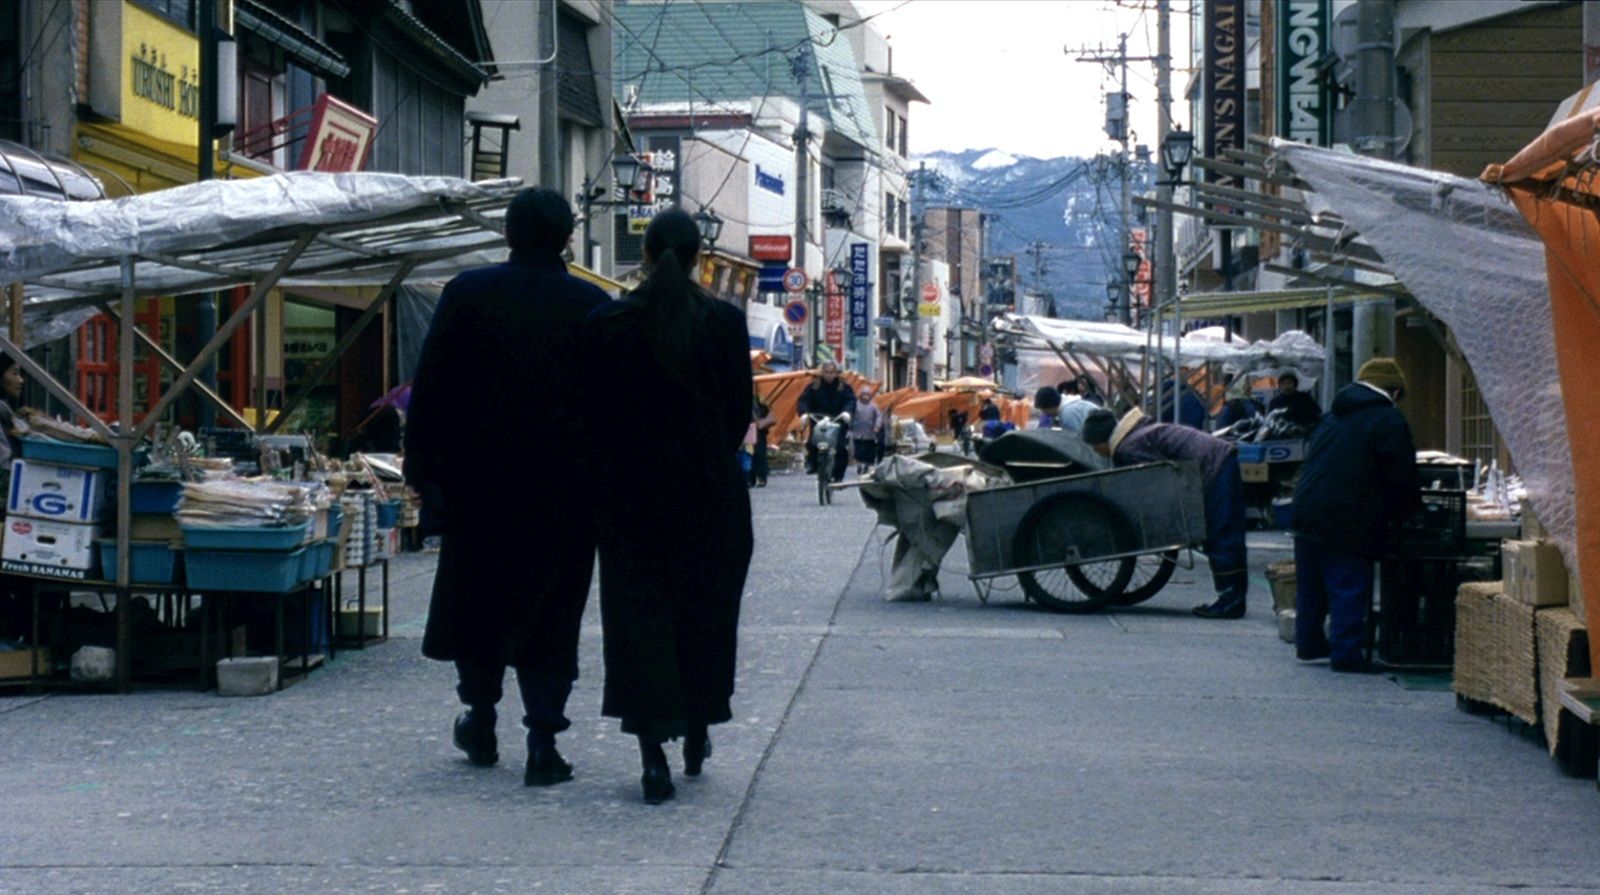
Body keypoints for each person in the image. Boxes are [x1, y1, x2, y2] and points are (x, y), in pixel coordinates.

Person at [404, 187, 610, 787]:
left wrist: (424, 473)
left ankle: (483, 719)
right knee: (553, 609)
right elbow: (609, 410)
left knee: (480, 603)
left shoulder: (468, 294)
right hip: (563, 491)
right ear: (569, 237)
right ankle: (544, 738)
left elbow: (432, 388)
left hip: (479, 486)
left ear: (507, 233)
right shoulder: (590, 306)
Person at [583, 208, 753, 804]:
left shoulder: (608, 321)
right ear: (702, 257)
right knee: (704, 616)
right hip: (710, 497)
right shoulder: (726, 325)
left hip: (630, 500)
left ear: (646, 256)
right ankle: (697, 730)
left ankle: (651, 752)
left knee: (640, 622)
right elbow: (738, 415)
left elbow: (593, 419)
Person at [1291, 358, 1421, 673]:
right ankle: (1347, 653)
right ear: (1394, 391)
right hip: (1348, 516)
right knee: (1347, 582)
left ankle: (1308, 645)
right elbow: (1400, 474)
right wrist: (1409, 511)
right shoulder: (1387, 419)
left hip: (1306, 508)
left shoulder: (1332, 416)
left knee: (1311, 585)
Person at [1081, 407, 1250, 619]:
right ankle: (1231, 598)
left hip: (1214, 465)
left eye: (1095, 447)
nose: (1097, 452)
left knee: (1222, 533)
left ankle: (1231, 602)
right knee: (1224, 531)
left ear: (1103, 441)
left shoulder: (1128, 448)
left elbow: (1159, 480)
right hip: (1218, 459)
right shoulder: (1135, 434)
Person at [796, 361, 854, 482]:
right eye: (826, 372)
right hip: (819, 419)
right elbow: (803, 400)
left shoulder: (844, 387)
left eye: (831, 372)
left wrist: (847, 412)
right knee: (813, 442)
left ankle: (838, 475)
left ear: (836, 373)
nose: (829, 375)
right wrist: (804, 413)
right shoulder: (814, 386)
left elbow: (850, 400)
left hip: (838, 419)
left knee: (841, 447)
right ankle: (812, 464)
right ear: (822, 373)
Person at [850, 387, 883, 474]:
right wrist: (850, 426)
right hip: (857, 433)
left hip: (870, 434)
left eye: (867, 395)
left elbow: (878, 417)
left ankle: (867, 465)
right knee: (859, 451)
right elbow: (850, 416)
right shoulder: (855, 405)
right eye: (864, 395)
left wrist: (877, 426)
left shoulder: (873, 407)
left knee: (869, 451)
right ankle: (859, 465)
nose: (865, 397)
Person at [749, 400, 776, 487]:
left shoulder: (761, 398)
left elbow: (768, 410)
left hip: (759, 429)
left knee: (759, 454)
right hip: (750, 428)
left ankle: (760, 478)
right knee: (749, 453)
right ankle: (751, 478)